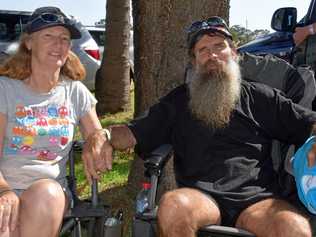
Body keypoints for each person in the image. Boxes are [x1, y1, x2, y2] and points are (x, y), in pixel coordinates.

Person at [100, 16, 316, 237]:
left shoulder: (259, 97)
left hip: (256, 201)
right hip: (201, 199)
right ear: (194, 61)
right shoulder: (178, 102)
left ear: (233, 52)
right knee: (173, 206)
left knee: (294, 227)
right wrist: (104, 135)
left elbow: (309, 123)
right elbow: (132, 132)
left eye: (218, 46)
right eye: (202, 50)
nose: (212, 55)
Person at [0, 6, 110, 237]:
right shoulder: (5, 89)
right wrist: (4, 191)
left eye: (64, 39)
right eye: (48, 36)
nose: (58, 44)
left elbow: (97, 135)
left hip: (50, 192)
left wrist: (97, 141)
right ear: (29, 43)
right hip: (4, 186)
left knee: (45, 196)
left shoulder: (75, 92)